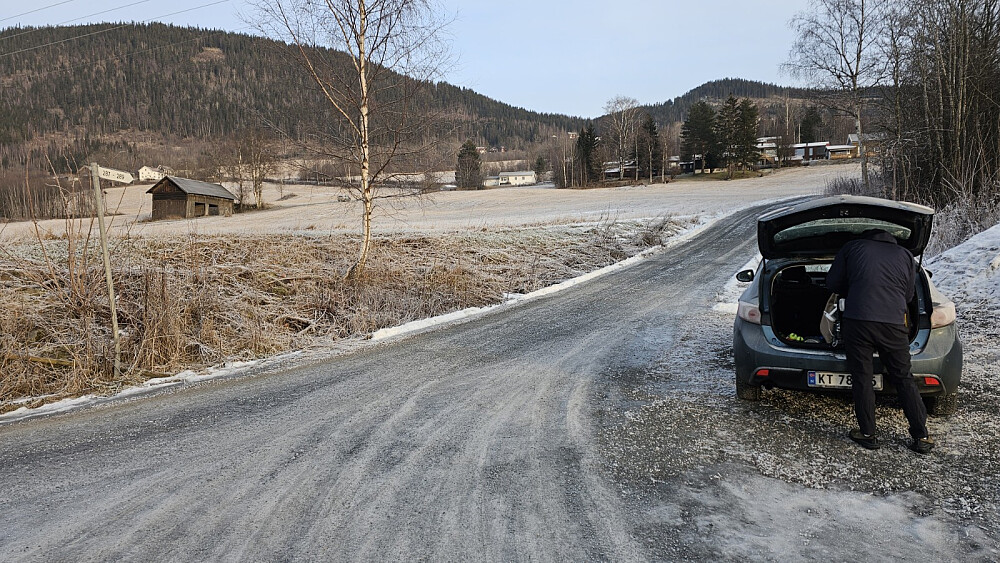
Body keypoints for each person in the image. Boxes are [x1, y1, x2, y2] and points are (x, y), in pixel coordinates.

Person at [826, 228, 934, 454]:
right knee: (904, 377)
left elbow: (833, 284)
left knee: (862, 377)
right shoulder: (905, 255)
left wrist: (856, 287)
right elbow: (908, 295)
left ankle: (868, 434)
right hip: (894, 323)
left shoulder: (852, 248)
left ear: (865, 237)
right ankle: (921, 436)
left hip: (859, 320)